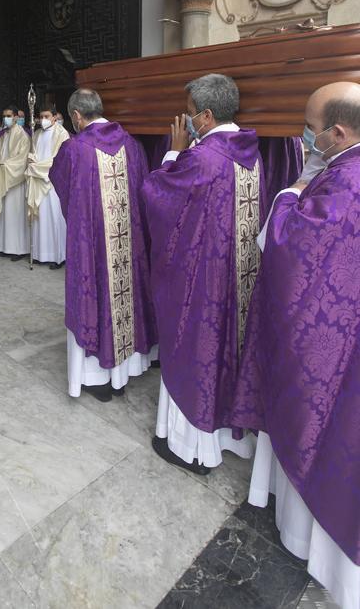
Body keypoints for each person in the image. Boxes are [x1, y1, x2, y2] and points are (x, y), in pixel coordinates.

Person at [232, 82, 360, 609]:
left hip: (333, 346)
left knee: (323, 424)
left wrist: (287, 195)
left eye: (310, 127)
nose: (305, 137)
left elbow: (289, 249)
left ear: (336, 131)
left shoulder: (344, 183)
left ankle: (306, 534)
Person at [142, 74, 264, 474]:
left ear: (207, 116)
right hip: (238, 276)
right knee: (231, 350)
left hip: (202, 283)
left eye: (190, 114)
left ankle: (190, 447)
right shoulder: (251, 152)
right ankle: (231, 438)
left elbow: (158, 197)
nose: (187, 121)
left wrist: (173, 153)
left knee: (197, 350)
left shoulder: (202, 158)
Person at [49, 88, 157, 401]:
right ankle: (123, 373)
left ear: (77, 116)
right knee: (124, 294)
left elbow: (61, 184)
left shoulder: (74, 149)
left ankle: (96, 377)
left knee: (94, 296)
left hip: (92, 246)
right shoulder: (132, 145)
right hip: (129, 243)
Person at [25, 106, 69, 268]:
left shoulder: (62, 134)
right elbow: (32, 154)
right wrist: (30, 160)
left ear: (54, 117)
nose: (43, 119)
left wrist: (36, 168)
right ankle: (39, 254)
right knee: (39, 218)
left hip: (53, 182)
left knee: (54, 218)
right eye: (41, 116)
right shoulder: (36, 134)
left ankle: (58, 256)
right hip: (37, 182)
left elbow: (58, 160)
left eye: (46, 116)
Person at [0, 104, 30, 260]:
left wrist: (3, 165)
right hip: (2, 178)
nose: (6, 118)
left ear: (16, 117)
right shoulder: (3, 135)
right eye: (4, 116)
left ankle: (18, 249)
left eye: (9, 115)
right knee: (3, 214)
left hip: (15, 181)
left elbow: (22, 160)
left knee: (16, 215)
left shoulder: (23, 135)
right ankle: (2, 246)